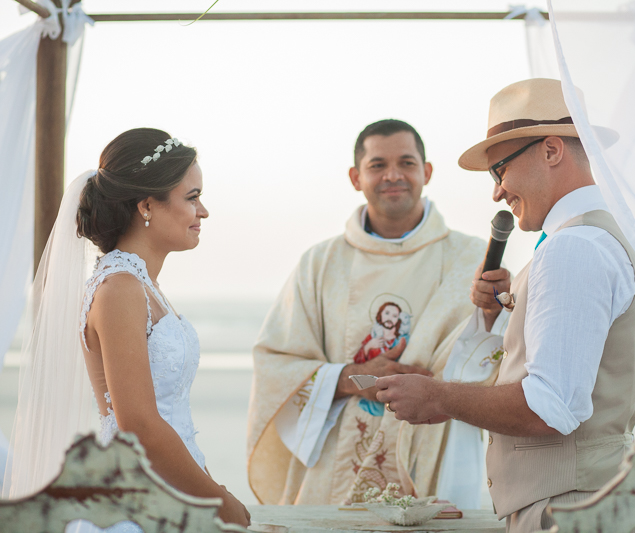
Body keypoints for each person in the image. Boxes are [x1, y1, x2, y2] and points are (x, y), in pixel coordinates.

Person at [375, 79, 635, 532]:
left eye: (499, 170)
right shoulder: (592, 237)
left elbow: (551, 408)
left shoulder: (574, 249)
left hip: (567, 512)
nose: (497, 192)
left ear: (550, 151)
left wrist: (439, 394)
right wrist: (501, 318)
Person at [2, 128, 250, 530]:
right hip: (133, 498)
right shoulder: (119, 289)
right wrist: (218, 500)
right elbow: (138, 423)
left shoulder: (142, 286)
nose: (203, 211)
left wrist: (205, 484)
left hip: (169, 487)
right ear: (147, 205)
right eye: (192, 197)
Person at [246, 119, 490, 506]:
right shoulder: (321, 263)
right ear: (355, 177)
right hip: (336, 454)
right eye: (377, 165)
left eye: (406, 163)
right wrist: (352, 378)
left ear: (426, 172)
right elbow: (274, 363)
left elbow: (500, 355)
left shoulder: (472, 259)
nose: (393, 175)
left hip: (439, 448)